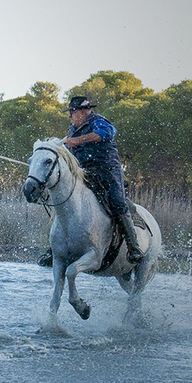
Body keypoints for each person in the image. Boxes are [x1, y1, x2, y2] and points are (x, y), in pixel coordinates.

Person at [57, 94, 147, 260]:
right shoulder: (72, 129)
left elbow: (103, 134)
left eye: (72, 112)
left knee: (117, 203)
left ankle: (134, 248)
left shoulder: (99, 122)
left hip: (108, 170)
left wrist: (77, 140)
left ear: (82, 112)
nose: (70, 116)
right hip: (84, 172)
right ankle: (55, 248)